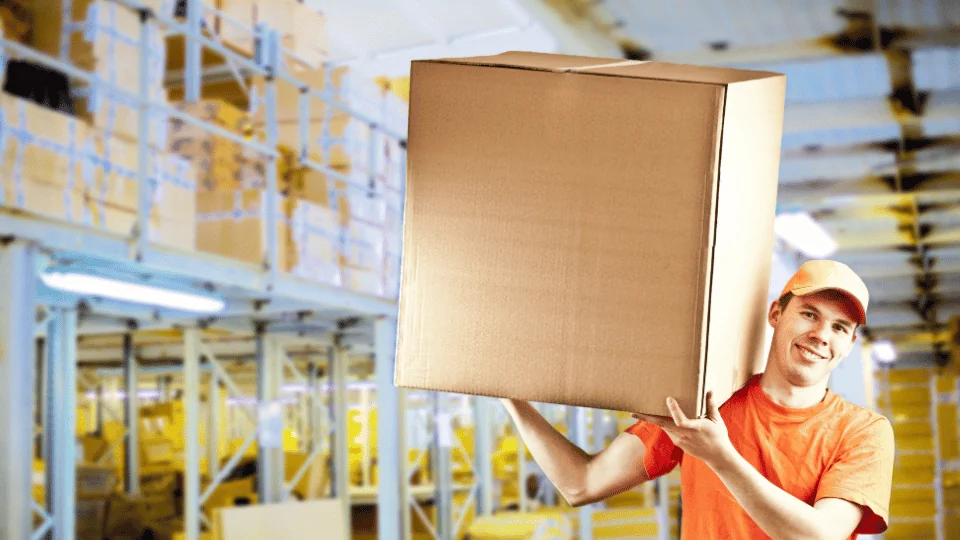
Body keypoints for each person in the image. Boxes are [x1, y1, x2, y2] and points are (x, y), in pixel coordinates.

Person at [501, 260, 895, 539]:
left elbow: (818, 537)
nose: (822, 335)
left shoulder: (863, 433)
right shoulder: (706, 409)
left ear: (850, 344)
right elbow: (581, 484)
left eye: (840, 327)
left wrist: (719, 456)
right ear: (777, 313)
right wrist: (510, 396)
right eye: (809, 314)